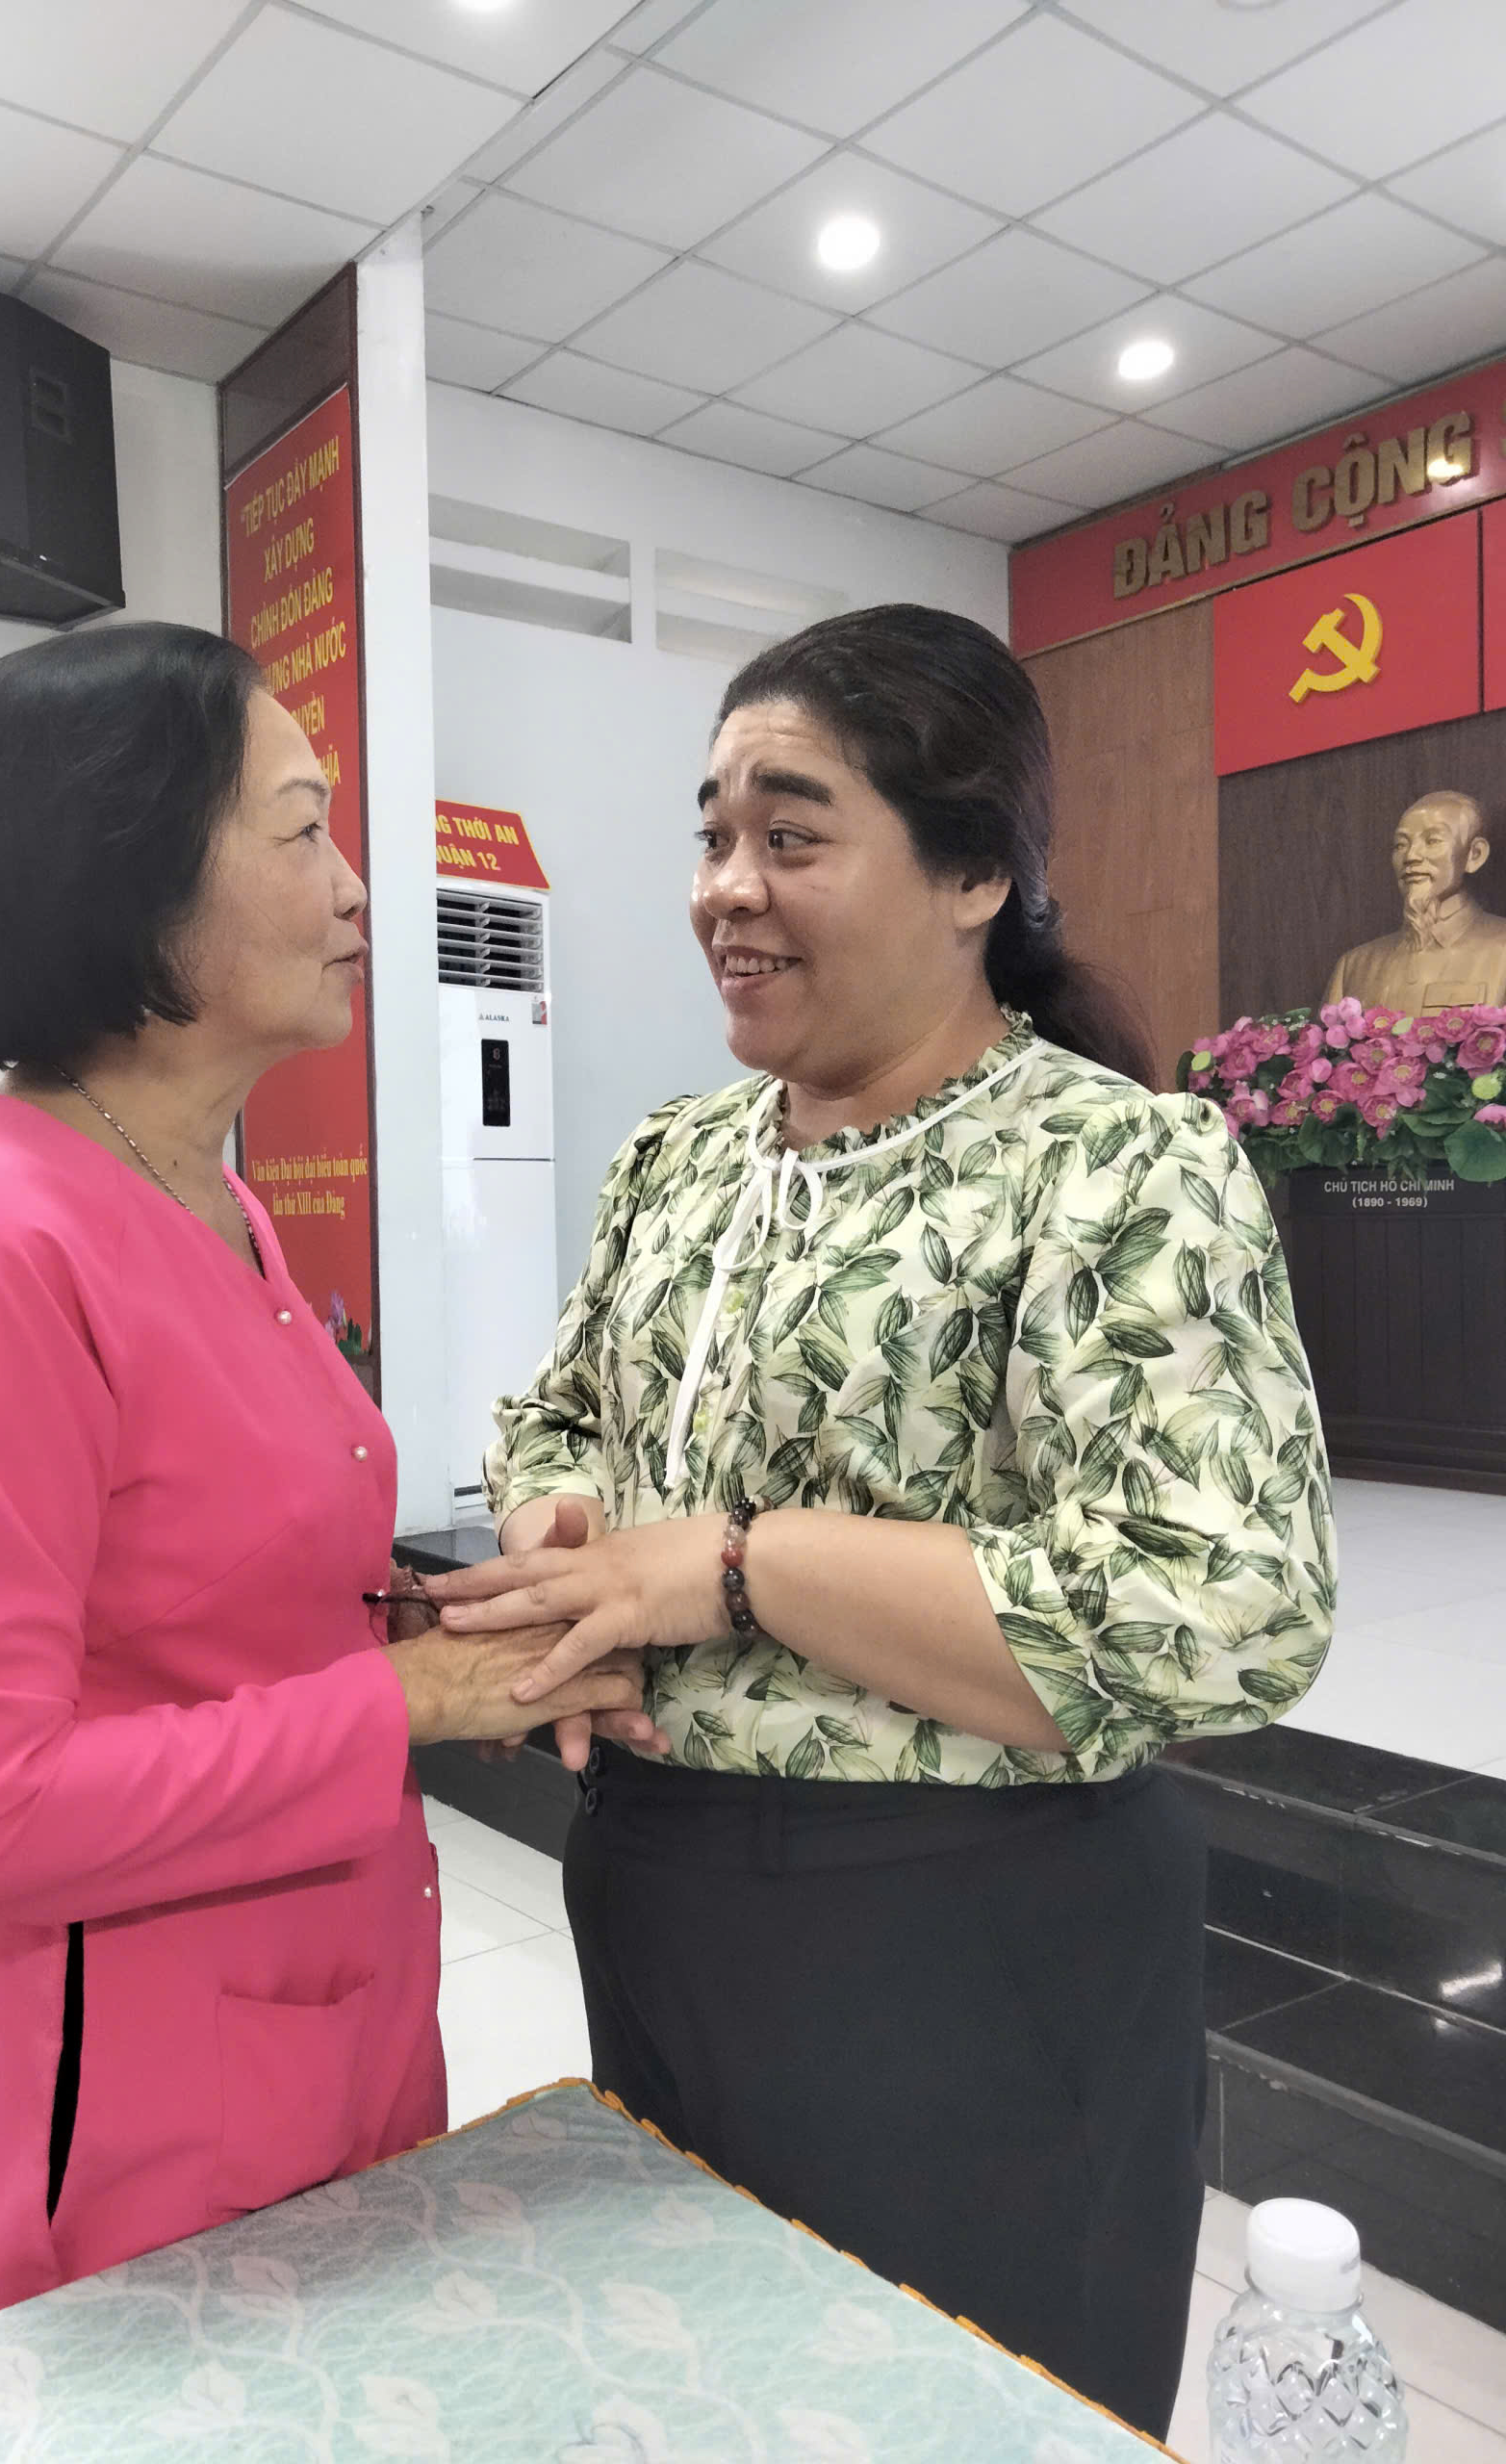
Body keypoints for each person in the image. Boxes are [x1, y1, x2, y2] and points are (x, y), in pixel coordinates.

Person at [421, 604, 1335, 2440]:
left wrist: (735, 1566)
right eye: (711, 836)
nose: (726, 890)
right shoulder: (682, 1158)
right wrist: (568, 1526)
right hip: (664, 1889)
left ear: (977, 873)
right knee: (709, 2393)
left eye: (793, 834)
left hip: (970, 1940)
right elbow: (565, 1404)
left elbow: (1223, 1609)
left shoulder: (1112, 1166)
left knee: (964, 2407)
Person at [0, 624, 649, 2333]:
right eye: (302, 830)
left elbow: (203, 1594)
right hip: (125, 2110)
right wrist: (402, 1703)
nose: (354, 889)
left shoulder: (212, 1195)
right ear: (129, 875)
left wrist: (433, 1632)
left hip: (319, 2009)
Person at [1321, 786, 1506, 1012]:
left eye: (1432, 841)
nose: (1411, 856)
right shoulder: (1354, 966)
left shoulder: (1501, 949)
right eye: (1401, 844)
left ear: (1474, 855)